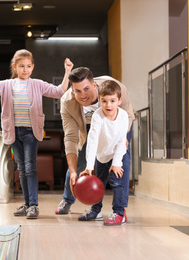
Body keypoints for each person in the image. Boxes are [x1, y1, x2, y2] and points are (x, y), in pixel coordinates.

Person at [0, 50, 73, 219]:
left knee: (30, 168)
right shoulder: (7, 85)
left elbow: (59, 91)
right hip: (13, 131)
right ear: (15, 67)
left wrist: (67, 72)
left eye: (28, 66)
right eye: (21, 66)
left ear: (33, 67)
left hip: (30, 131)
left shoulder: (37, 84)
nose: (25, 69)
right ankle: (28, 204)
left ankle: (34, 205)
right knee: (21, 169)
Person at [55, 67, 134, 222]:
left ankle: (120, 211)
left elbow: (128, 114)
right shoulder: (67, 102)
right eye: (77, 91)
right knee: (84, 167)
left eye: (86, 89)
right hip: (90, 126)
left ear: (94, 85)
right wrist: (76, 171)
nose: (83, 95)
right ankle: (70, 200)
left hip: (119, 125)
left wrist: (122, 138)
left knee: (120, 166)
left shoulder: (116, 89)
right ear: (72, 89)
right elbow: (71, 139)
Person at [79, 79, 128, 225]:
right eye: (104, 101)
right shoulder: (97, 116)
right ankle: (96, 211)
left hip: (117, 153)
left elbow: (121, 140)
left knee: (117, 182)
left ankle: (119, 213)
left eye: (112, 101)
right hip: (101, 155)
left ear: (119, 101)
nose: (108, 105)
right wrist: (89, 166)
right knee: (98, 182)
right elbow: (92, 141)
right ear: (99, 101)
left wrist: (117, 162)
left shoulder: (123, 116)